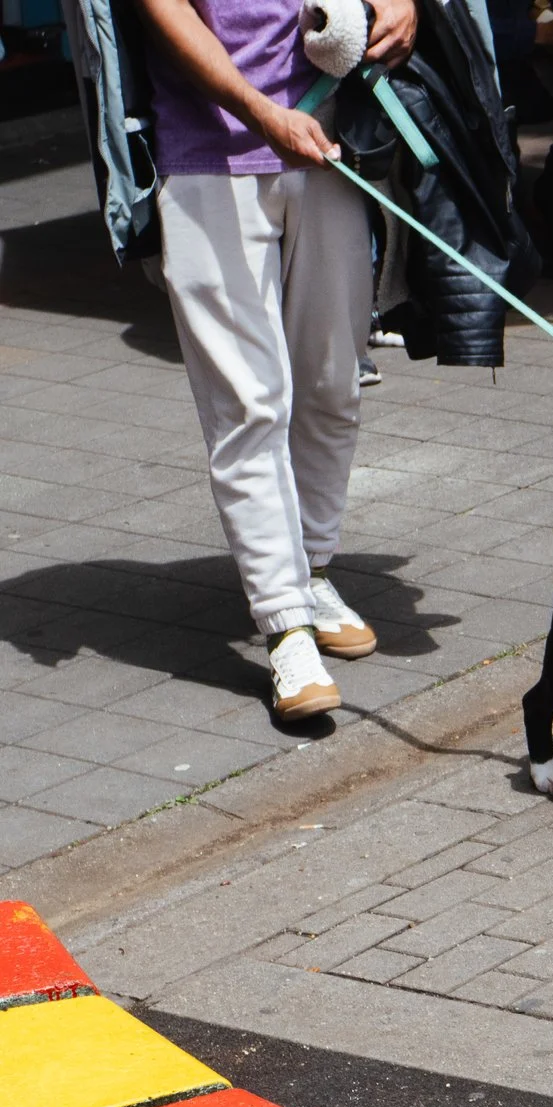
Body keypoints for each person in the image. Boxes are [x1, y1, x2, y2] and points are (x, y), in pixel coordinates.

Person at [136, 0, 399, 721]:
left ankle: (311, 572)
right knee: (250, 408)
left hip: (332, 148)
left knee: (333, 386)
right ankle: (284, 625)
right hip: (207, 160)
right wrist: (258, 109)